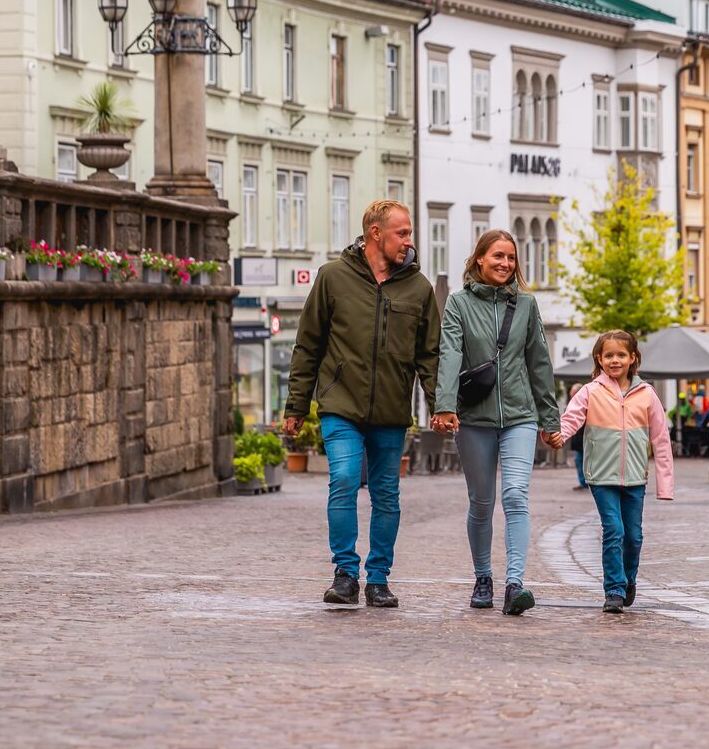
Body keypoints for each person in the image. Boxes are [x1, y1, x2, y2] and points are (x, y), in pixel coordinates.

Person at [286, 200, 439, 609]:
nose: (409, 241)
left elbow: (429, 356)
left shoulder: (419, 288)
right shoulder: (332, 278)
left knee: (386, 494)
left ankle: (379, 579)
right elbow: (308, 345)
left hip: (391, 409)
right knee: (344, 479)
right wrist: (296, 407)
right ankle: (345, 574)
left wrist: (440, 405)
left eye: (409, 233)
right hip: (341, 404)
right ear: (375, 233)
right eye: (402, 233)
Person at [432, 229, 559, 617]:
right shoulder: (458, 303)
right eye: (498, 256)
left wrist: (549, 417)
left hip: (520, 415)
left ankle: (514, 583)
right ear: (480, 259)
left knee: (516, 495)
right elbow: (450, 353)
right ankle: (483, 577)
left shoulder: (526, 305)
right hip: (474, 417)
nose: (505, 263)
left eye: (511, 257)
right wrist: (445, 404)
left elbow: (539, 362)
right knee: (482, 502)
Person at [547, 331, 674, 613]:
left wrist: (665, 485)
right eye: (608, 355)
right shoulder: (590, 391)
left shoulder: (647, 394)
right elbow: (571, 418)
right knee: (614, 530)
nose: (615, 360)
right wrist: (559, 436)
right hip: (601, 476)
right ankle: (614, 589)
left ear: (633, 358)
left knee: (634, 536)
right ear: (599, 359)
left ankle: (629, 579)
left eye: (621, 355)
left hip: (635, 477)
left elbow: (661, 440)